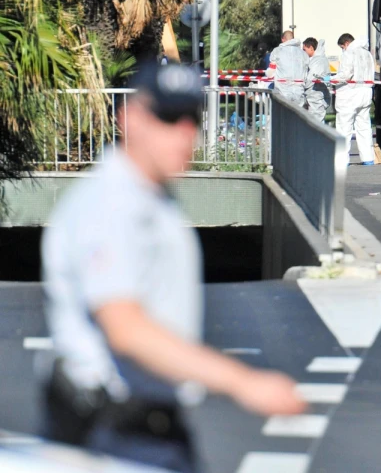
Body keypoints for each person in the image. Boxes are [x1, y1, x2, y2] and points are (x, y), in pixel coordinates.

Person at [40, 63, 306, 471]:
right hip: (114, 437)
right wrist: (243, 382)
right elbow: (125, 327)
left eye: (192, 118)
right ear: (128, 118)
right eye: (167, 117)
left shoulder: (151, 198)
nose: (184, 132)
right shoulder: (110, 205)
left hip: (147, 430)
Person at [333, 33, 377, 165]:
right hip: (365, 92)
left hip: (349, 95)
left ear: (346, 43)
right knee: (364, 127)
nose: (343, 49)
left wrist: (331, 80)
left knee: (344, 128)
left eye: (342, 47)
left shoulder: (349, 53)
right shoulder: (367, 54)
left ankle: (342, 160)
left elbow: (346, 74)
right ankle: (368, 158)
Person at [267, 31, 306, 105]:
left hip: (283, 89)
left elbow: (271, 72)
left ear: (283, 39)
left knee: (283, 114)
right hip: (299, 90)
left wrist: (267, 74)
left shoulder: (277, 51)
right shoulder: (303, 53)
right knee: (298, 114)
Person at [302, 37, 331, 121]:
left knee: (316, 122)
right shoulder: (320, 59)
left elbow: (311, 79)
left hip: (316, 96)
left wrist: (303, 85)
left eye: (304, 49)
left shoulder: (317, 60)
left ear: (311, 48)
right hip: (318, 96)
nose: (303, 52)